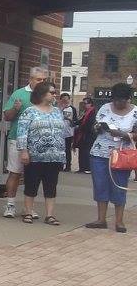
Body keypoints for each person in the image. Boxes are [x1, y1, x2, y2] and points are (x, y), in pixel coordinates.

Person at [84, 82, 136, 233]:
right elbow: (94, 127)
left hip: (121, 155)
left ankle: (119, 221)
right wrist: (98, 127)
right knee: (100, 185)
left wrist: (123, 134)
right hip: (100, 153)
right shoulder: (105, 108)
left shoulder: (135, 112)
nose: (118, 103)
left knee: (119, 186)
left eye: (121, 100)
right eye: (115, 99)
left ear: (128, 99)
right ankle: (101, 219)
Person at [1, 67, 48, 218]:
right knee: (15, 173)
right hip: (17, 139)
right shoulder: (19, 94)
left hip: (38, 142)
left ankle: (28, 208)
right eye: (38, 79)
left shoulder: (46, 96)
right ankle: (10, 205)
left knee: (33, 176)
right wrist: (15, 109)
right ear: (31, 79)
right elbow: (7, 116)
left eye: (44, 80)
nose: (42, 82)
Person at [17, 81, 65, 225]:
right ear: (42, 93)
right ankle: (28, 212)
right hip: (35, 156)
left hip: (55, 155)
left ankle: (50, 215)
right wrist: (23, 151)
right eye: (52, 92)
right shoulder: (29, 112)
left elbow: (62, 133)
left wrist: (63, 155)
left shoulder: (57, 112)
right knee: (31, 185)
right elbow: (22, 133)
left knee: (51, 186)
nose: (54, 95)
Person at [75, 96, 97, 173]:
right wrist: (75, 123)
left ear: (90, 104)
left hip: (88, 135)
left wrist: (80, 127)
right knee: (82, 151)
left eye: (85, 103)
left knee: (86, 152)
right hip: (83, 134)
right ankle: (82, 167)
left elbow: (89, 123)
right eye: (83, 103)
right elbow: (81, 121)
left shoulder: (92, 112)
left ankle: (87, 168)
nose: (84, 105)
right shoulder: (85, 112)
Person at [58, 92, 77, 171]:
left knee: (67, 150)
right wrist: (61, 109)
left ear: (69, 100)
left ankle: (68, 166)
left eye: (66, 100)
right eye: (63, 100)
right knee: (59, 149)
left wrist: (69, 119)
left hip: (68, 133)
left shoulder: (72, 109)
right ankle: (60, 166)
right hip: (58, 133)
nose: (65, 102)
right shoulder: (57, 109)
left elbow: (75, 122)